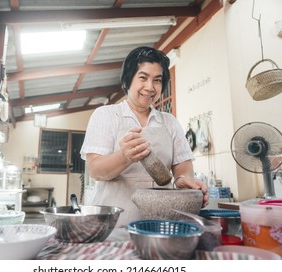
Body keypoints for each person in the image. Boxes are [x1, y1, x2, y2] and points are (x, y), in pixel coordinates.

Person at [80, 46, 208, 228]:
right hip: (112, 223)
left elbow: (183, 165)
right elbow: (95, 170)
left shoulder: (169, 122)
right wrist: (124, 157)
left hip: (160, 222)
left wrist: (182, 179)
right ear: (128, 79)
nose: (150, 87)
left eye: (157, 80)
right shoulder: (106, 115)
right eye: (143, 77)